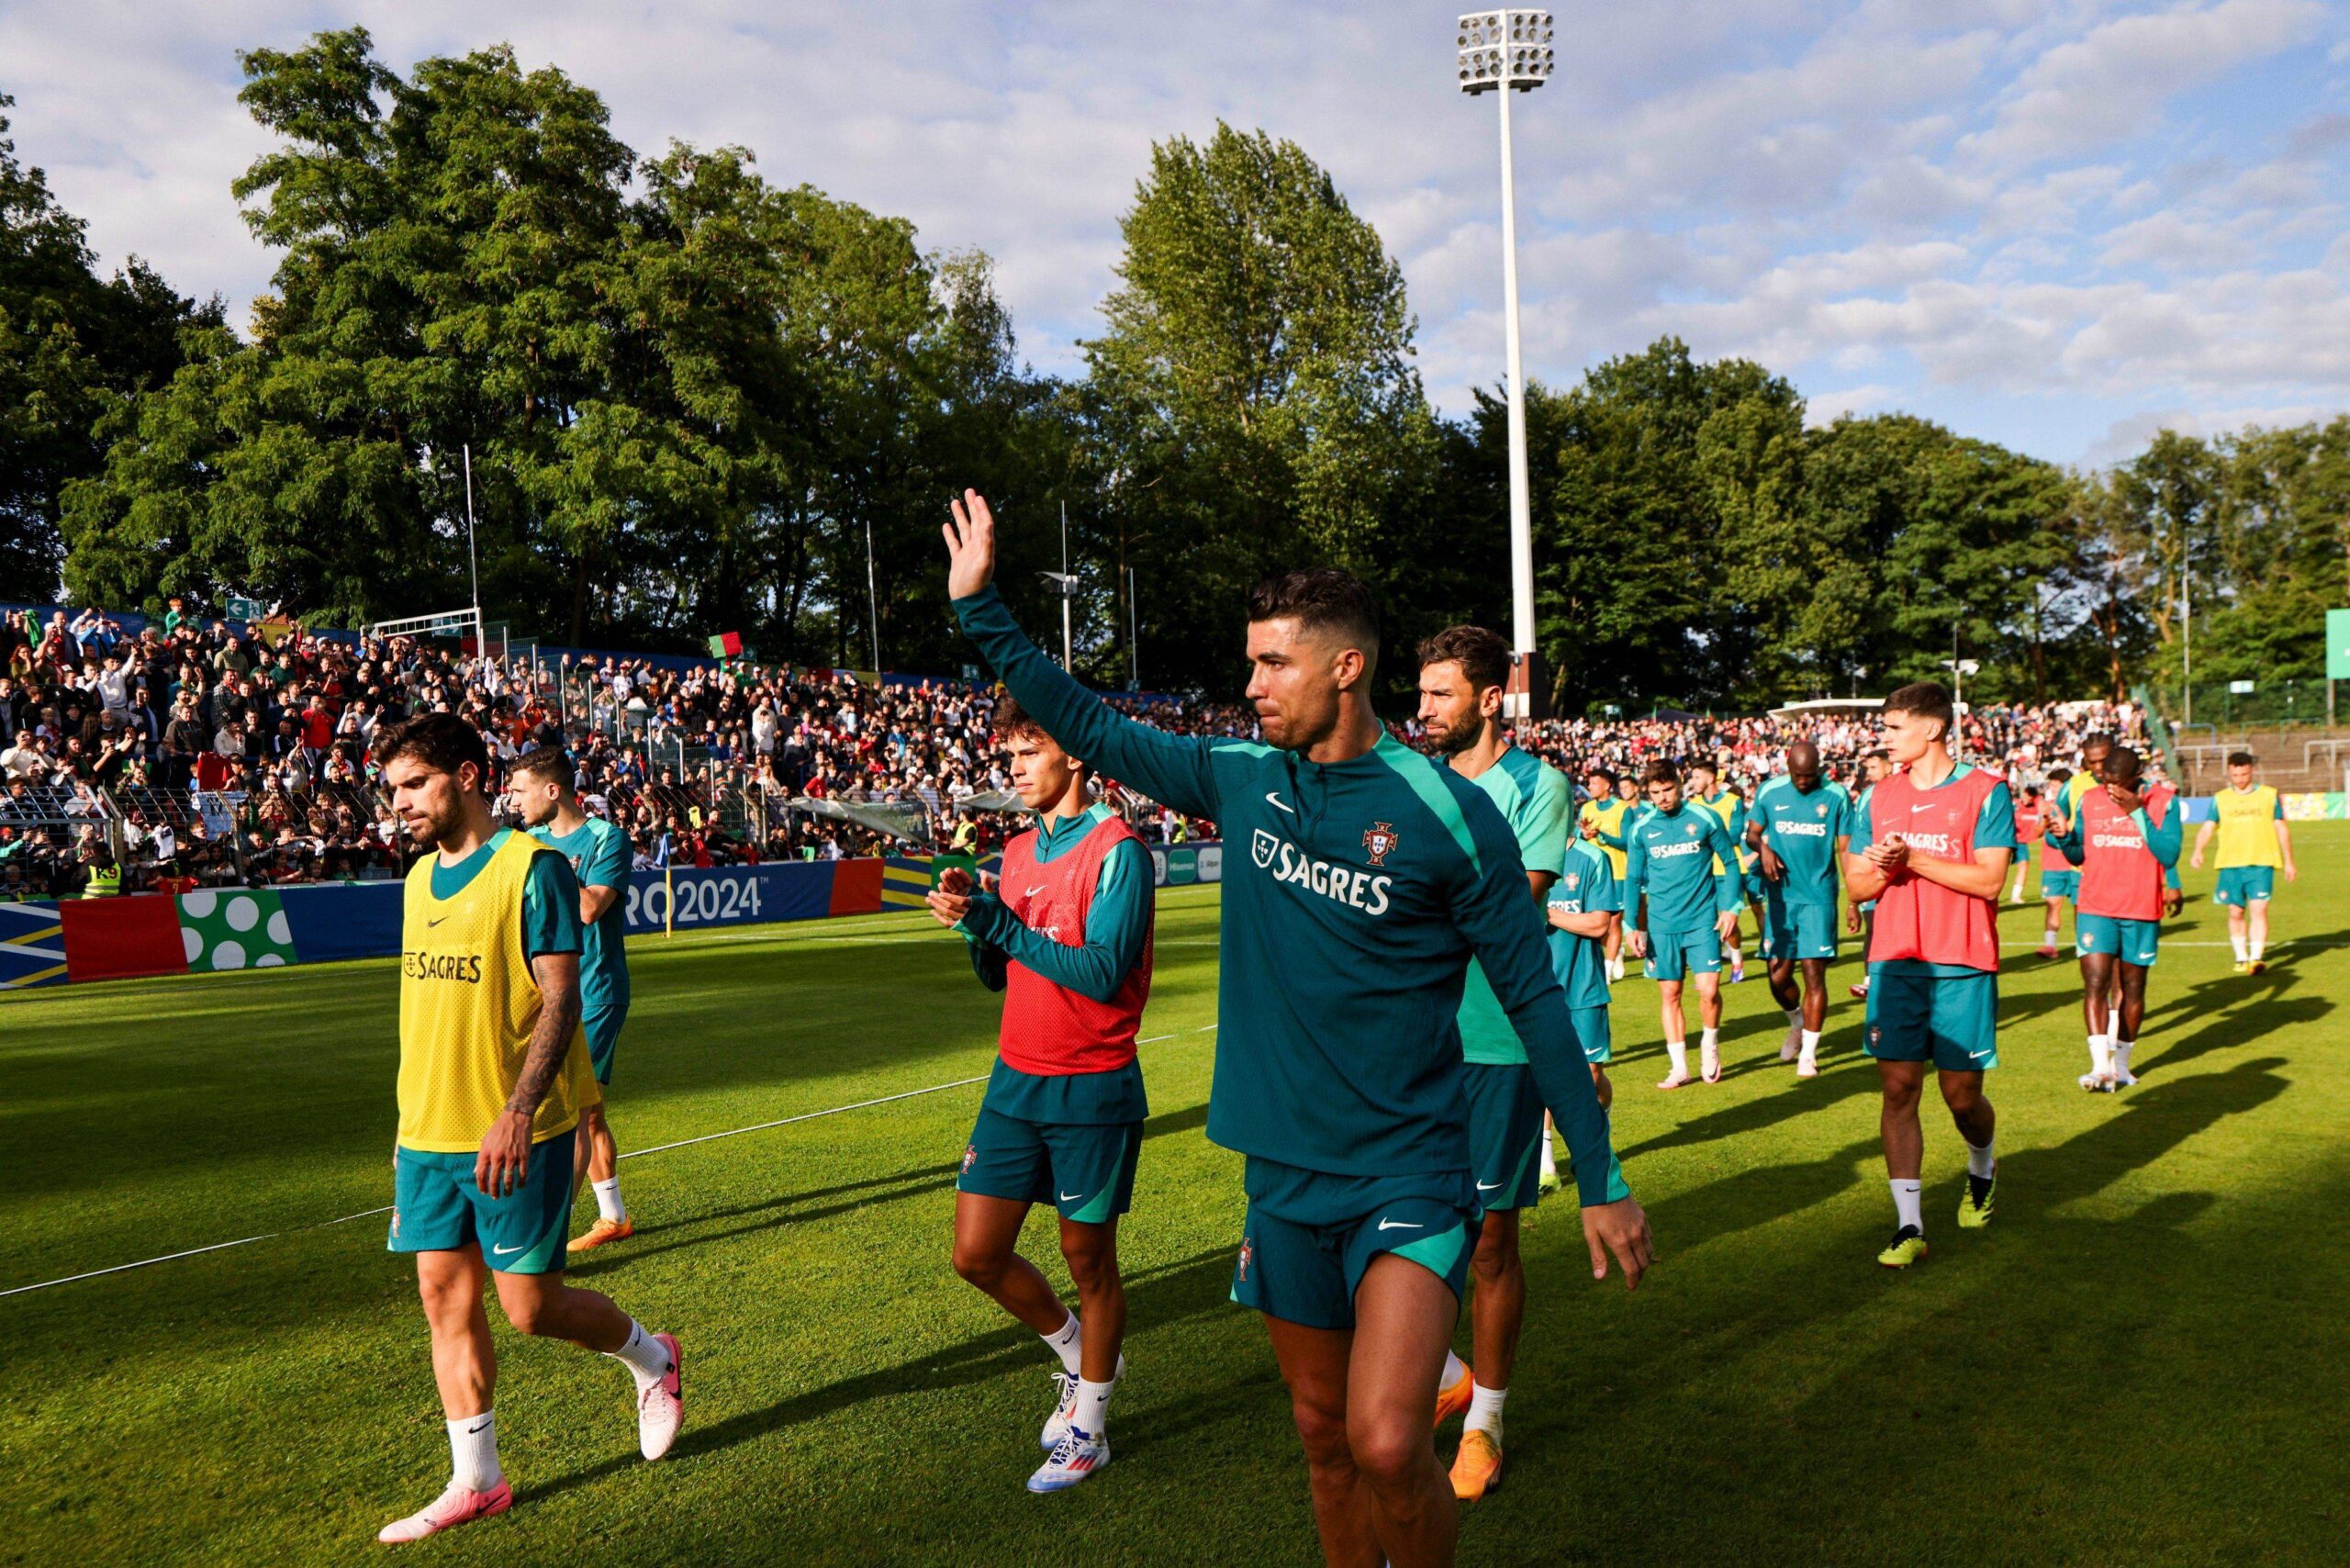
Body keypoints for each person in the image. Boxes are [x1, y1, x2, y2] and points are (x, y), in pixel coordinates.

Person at [942, 490, 1648, 1568]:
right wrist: (982, 608)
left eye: (1272, 663)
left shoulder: (1447, 814)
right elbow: (1089, 724)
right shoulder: (1242, 778)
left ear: (1345, 668)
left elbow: (1535, 997)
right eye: (1251, 662)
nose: (1251, 684)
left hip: (1408, 1171)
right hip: (1281, 1173)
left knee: (1384, 1438)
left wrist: (1598, 1178)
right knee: (1323, 1441)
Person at [374, 713, 680, 1545]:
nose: (398, 803)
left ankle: (653, 1359)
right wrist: (408, 1121)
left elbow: (561, 997)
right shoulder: (411, 881)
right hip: (427, 1131)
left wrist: (517, 1109)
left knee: (531, 1310)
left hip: (517, 1127)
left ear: (467, 776)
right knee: (445, 1299)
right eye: (392, 788)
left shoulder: (532, 869)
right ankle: (477, 1480)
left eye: (414, 784)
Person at [927, 697, 1154, 1494]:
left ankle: (1090, 1426)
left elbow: (1099, 974)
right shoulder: (1016, 852)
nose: (1016, 768)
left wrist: (1002, 921)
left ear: (1075, 760)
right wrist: (971, 921)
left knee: (1088, 1258)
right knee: (975, 1253)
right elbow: (1000, 972)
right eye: (1011, 755)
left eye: (1032, 752)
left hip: (1092, 1084)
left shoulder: (1119, 849)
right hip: (1014, 1082)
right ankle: (1078, 1355)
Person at [1414, 625, 1572, 1505]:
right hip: (1409, 1039)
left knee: (1490, 1244)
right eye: (1423, 692)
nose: (1424, 709)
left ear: (1489, 698)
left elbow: (1512, 906)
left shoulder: (1538, 786)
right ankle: (1446, 1372)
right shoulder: (1411, 779)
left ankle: (1488, 1421)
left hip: (1495, 1041)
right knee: (1381, 1224)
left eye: (1441, 694)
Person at [1841, 684, 2012, 1271]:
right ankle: (1908, 1225)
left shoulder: (1986, 792)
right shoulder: (1876, 797)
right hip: (1894, 962)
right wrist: (1886, 866)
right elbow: (1859, 887)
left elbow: (1990, 881)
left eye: (1892, 727)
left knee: (1962, 1096)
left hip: (1963, 961)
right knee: (1898, 1089)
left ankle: (1983, 1166)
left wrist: (1911, 858)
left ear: (1932, 729)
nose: (1883, 738)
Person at [508, 747, 638, 1251]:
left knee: (575, 1109)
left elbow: (587, 909)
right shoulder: (528, 843)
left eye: (520, 790)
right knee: (591, 1110)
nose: (513, 800)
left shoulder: (607, 838)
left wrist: (548, 863)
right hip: (547, 991)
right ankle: (614, 1217)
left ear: (552, 791)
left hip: (595, 991)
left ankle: (548, 1237)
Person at [2042, 745, 2180, 1092]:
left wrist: (2137, 812)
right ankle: (2099, 1067)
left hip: (2140, 909)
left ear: (2136, 778)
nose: (2110, 789)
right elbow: (2079, 853)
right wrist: (2062, 837)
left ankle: (2121, 1066)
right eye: (2106, 781)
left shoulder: (2163, 801)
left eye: (2118, 783)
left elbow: (2168, 852)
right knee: (2095, 983)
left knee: (2133, 989)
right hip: (2095, 907)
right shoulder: (2089, 799)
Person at [1622, 759, 1742, 1088]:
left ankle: (1709, 1044)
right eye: (1655, 792)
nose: (1662, 798)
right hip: (1662, 925)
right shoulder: (1642, 828)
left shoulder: (1704, 817)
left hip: (1703, 919)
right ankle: (1679, 1067)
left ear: (1680, 784)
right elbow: (1632, 879)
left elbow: (1731, 863)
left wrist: (1731, 907)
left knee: (1709, 991)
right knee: (1670, 994)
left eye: (1668, 789)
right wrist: (1631, 926)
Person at [1748, 740, 1850, 1080]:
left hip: (1819, 898)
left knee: (1813, 974)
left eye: (1809, 776)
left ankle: (1808, 1053)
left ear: (1819, 768)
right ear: (1787, 766)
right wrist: (1762, 848)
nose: (1803, 782)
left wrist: (1854, 900)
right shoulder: (1770, 791)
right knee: (1777, 976)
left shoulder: (1836, 795)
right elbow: (1751, 834)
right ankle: (1797, 1024)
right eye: (1797, 775)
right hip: (1780, 898)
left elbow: (1846, 849)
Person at [2191, 751, 2296, 975]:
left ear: (2252, 771)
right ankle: (2241, 957)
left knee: (2259, 910)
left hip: (2262, 862)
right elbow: (2208, 826)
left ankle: (2256, 958)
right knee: (2235, 912)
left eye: (2244, 774)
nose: (2239, 779)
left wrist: (2289, 861)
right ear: (2229, 772)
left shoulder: (2269, 795)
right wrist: (2198, 850)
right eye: (2235, 775)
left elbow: (2281, 828)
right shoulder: (2221, 799)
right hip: (2230, 864)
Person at [1685, 758, 1754, 984]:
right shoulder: (1692, 805)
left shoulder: (1733, 802)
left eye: (1696, 777)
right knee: (1704, 920)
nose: (1692, 781)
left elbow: (1734, 836)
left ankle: (1736, 960)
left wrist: (1706, 838)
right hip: (1702, 871)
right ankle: (1708, 967)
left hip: (1728, 870)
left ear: (1710, 778)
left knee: (1727, 920)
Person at [1574, 767, 1628, 981]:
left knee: (1614, 923)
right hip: (1592, 875)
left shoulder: (1623, 809)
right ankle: (1617, 952)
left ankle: (1606, 971)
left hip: (1617, 872)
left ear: (1607, 785)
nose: (1591, 787)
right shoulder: (1586, 808)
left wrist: (1603, 836)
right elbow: (1577, 839)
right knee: (1595, 922)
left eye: (1595, 783)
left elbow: (1627, 842)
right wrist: (1584, 835)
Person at [1846, 749, 1890, 999]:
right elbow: (1858, 844)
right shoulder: (1867, 797)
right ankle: (1871, 979)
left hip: (1897, 876)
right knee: (1873, 927)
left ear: (1889, 766)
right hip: (1870, 875)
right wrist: (1853, 900)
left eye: (1873, 767)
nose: (1869, 773)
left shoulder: (1906, 791)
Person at [2009, 786, 2042, 905]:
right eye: (2026, 795)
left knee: (2024, 865)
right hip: (2008, 840)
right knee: (2000, 867)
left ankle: (2015, 896)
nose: (2027, 799)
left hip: (2021, 842)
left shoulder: (2036, 808)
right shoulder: (2014, 804)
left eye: (2030, 797)